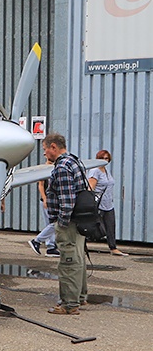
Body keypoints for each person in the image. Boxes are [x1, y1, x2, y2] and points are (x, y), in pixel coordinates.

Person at [43, 133, 87, 315]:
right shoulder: (73, 161)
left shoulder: (61, 167)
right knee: (78, 259)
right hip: (79, 220)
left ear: (54, 147)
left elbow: (67, 200)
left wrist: (61, 223)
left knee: (68, 261)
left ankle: (69, 304)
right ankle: (81, 297)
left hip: (68, 223)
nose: (45, 154)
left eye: (45, 149)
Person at [88, 149, 127, 257]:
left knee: (111, 226)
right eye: (102, 158)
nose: (104, 160)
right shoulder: (95, 171)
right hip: (98, 204)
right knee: (98, 227)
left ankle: (113, 247)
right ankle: (83, 243)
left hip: (109, 204)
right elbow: (90, 188)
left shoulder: (106, 171)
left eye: (106, 158)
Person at [28, 156, 59, 257]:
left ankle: (51, 246)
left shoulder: (57, 167)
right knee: (53, 223)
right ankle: (43, 243)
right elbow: (41, 185)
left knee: (52, 223)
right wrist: (44, 198)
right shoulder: (44, 169)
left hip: (54, 200)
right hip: (47, 200)